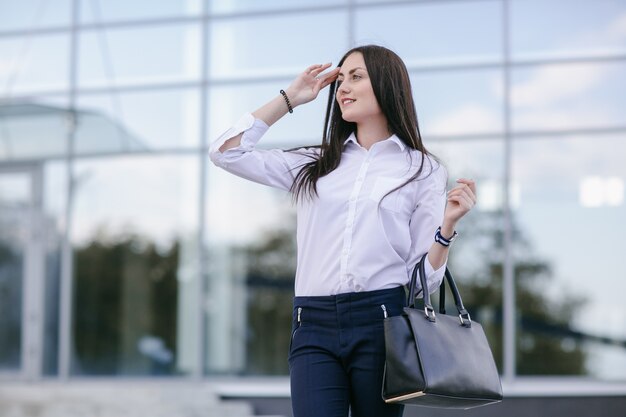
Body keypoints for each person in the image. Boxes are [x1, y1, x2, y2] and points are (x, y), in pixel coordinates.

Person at [209, 45, 477, 417]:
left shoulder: (423, 169)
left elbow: (421, 282)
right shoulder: (316, 163)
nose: (342, 89)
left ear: (387, 85)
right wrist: (291, 98)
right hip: (312, 323)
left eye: (356, 77)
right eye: (340, 80)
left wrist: (446, 229)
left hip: (382, 320)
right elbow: (226, 153)